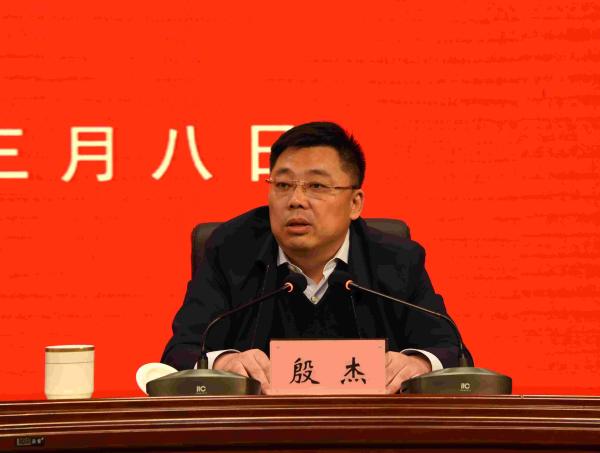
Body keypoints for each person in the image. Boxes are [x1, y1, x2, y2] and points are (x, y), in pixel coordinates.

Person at [161, 121, 472, 394]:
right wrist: (224, 363)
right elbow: (181, 352)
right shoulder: (230, 250)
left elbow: (453, 352)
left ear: (355, 203)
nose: (296, 200)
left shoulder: (397, 260)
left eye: (317, 186)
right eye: (283, 185)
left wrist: (419, 363)